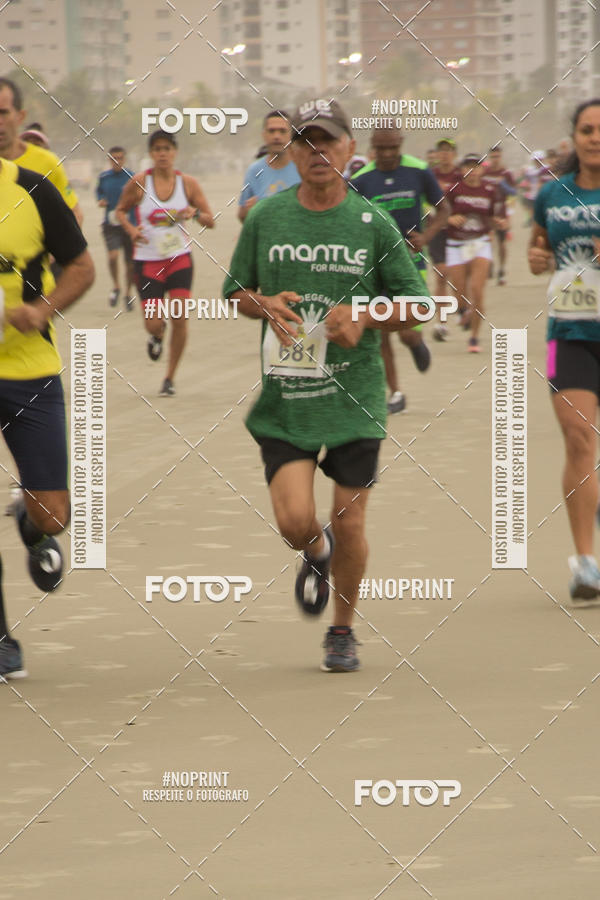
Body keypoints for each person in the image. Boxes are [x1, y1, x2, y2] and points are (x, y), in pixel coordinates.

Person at [223, 99, 428, 672]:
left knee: (351, 518)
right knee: (294, 523)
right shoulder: (267, 217)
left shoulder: (371, 221)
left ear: (349, 153)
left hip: (355, 398)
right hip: (287, 398)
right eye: (306, 142)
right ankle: (315, 552)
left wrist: (364, 314)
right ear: (289, 151)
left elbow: (418, 304)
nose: (317, 152)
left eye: (328, 142)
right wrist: (261, 303)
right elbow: (233, 294)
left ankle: (342, 630)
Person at [0, 157, 95, 680]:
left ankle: (30, 526)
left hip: (30, 371)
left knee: (54, 514)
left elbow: (82, 267)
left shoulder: (32, 189)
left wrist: (42, 311)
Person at [528, 98, 600, 600]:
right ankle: (585, 562)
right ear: (574, 137)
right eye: (587, 129)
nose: (595, 137)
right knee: (578, 440)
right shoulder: (552, 196)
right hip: (568, 334)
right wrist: (536, 257)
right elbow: (539, 250)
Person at [351, 126, 449, 412]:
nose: (386, 154)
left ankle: (416, 343)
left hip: (410, 264)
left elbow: (444, 209)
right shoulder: (360, 180)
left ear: (400, 145)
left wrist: (426, 238)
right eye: (380, 149)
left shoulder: (419, 171)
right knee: (381, 330)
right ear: (372, 148)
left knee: (406, 331)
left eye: (392, 148)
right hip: (373, 268)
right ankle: (396, 394)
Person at [116, 130, 215, 397]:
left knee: (180, 317)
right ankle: (157, 335)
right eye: (157, 149)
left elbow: (211, 219)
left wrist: (195, 214)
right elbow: (120, 210)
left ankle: (169, 377)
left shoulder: (188, 184)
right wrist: (131, 229)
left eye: (167, 149)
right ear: (151, 153)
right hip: (147, 261)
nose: (162, 153)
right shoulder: (139, 183)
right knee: (152, 322)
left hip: (179, 259)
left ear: (175, 153)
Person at [0, 78, 83, 226]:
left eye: (4, 113)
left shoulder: (48, 163)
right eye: (29, 139)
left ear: (20, 117)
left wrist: (63, 244)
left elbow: (74, 213)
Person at [445, 153, 507, 352]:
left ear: (482, 170)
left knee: (478, 291)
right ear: (462, 170)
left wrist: (500, 223)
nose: (472, 171)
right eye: (468, 167)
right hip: (456, 244)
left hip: (480, 243)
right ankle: (463, 311)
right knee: (459, 293)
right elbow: (439, 213)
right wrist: (450, 219)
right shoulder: (453, 190)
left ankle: (474, 338)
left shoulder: (490, 190)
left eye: (476, 167)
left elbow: (497, 217)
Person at [238, 110, 300, 222]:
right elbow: (242, 215)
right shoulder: (254, 171)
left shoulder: (303, 167)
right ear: (264, 135)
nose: (276, 136)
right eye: (271, 131)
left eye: (282, 131)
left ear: (292, 135)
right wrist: (250, 211)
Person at [96, 147, 136, 310]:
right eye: (113, 159)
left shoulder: (132, 177)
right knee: (113, 256)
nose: (117, 162)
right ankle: (116, 286)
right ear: (109, 160)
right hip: (111, 224)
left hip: (129, 225)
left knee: (130, 263)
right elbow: (99, 193)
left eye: (120, 158)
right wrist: (101, 200)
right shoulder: (104, 177)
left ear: (124, 160)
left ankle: (127, 293)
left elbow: (141, 196)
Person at [430, 138, 462, 339]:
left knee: (459, 276)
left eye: (448, 150)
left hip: (459, 233)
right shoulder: (430, 175)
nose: (444, 154)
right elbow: (424, 202)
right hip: (436, 230)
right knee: (441, 274)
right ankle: (441, 323)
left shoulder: (461, 176)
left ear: (454, 154)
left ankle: (462, 310)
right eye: (441, 150)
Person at [481, 146, 516, 286]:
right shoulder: (485, 172)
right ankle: (489, 264)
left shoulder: (506, 173)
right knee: (487, 241)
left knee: (501, 243)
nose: (495, 159)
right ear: (489, 158)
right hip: (487, 212)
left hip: (501, 212)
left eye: (497, 157)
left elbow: (513, 193)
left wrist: (509, 215)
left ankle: (501, 270)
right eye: (493, 157)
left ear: (501, 157)